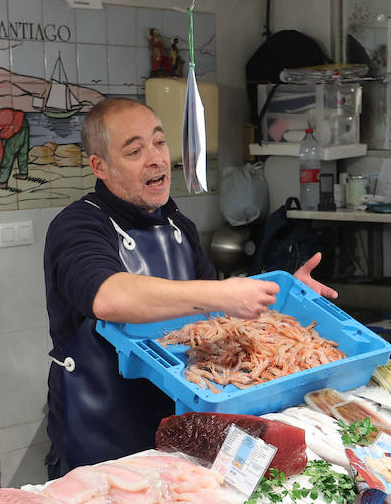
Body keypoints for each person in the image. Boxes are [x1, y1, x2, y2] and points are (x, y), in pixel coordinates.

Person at [42, 97, 334, 477]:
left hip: (185, 423)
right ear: (100, 166)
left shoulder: (178, 226)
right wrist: (222, 293)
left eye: (159, 143)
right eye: (134, 150)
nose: (156, 158)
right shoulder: (78, 226)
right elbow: (109, 297)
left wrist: (282, 295)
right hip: (103, 433)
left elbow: (216, 320)